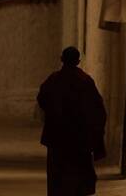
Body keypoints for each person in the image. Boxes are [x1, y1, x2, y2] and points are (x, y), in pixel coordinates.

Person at [37, 46, 107, 196]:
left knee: (57, 175)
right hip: (79, 138)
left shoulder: (54, 79)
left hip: (57, 137)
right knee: (78, 175)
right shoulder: (85, 81)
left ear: (62, 59)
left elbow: (42, 99)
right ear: (78, 61)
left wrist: (53, 115)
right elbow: (97, 108)